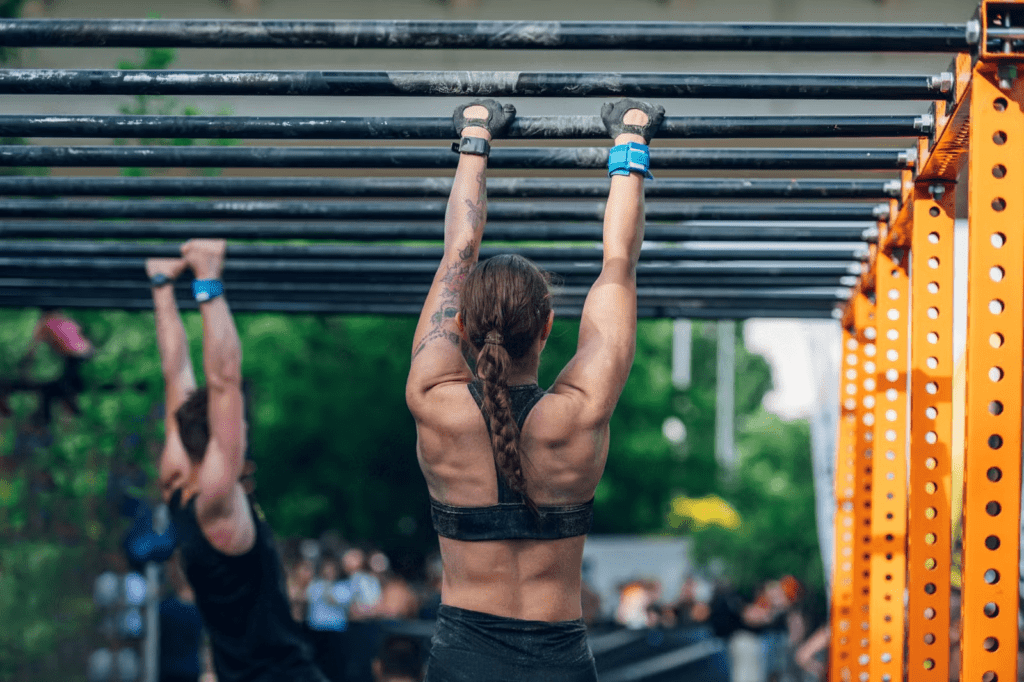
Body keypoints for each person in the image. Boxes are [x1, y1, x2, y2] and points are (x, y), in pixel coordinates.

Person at [405, 97, 663, 681]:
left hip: (462, 663)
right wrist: (630, 140)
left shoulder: (433, 399)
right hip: (558, 662)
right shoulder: (578, 415)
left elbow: (459, 254)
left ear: (464, 328)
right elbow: (618, 264)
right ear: (548, 327)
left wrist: (476, 134)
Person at [148, 240, 328, 682]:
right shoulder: (216, 497)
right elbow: (224, 380)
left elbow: (175, 373)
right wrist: (208, 278)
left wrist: (163, 287)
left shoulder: (176, 481)